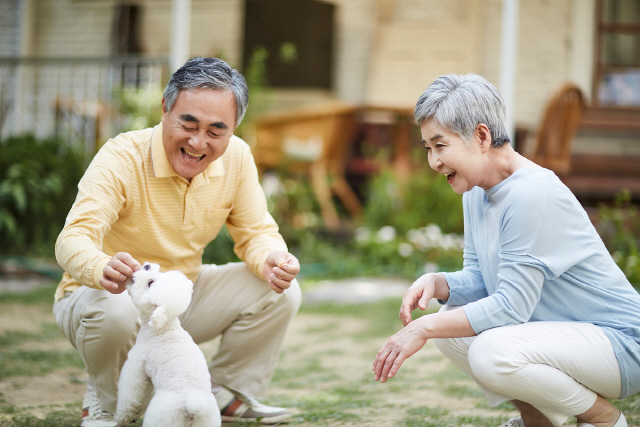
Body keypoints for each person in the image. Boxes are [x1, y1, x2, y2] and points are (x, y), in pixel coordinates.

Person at [372, 73, 640, 427]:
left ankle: (604, 419)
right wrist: (439, 283)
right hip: (570, 336)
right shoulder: (475, 191)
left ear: (481, 136)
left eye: (440, 145)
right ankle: (537, 421)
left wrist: (424, 328)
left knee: (487, 349)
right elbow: (483, 278)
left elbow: (513, 306)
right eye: (428, 149)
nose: (434, 162)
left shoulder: (531, 193)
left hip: (621, 345)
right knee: (453, 321)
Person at [54, 57, 302, 427]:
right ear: (165, 109)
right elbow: (73, 237)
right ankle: (106, 399)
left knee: (280, 289)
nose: (198, 142)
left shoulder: (237, 158)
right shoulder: (122, 156)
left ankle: (216, 392)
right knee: (119, 309)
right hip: (103, 297)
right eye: (188, 123)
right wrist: (99, 266)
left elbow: (256, 233)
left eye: (216, 131)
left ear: (234, 128)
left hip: (178, 298)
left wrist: (271, 257)